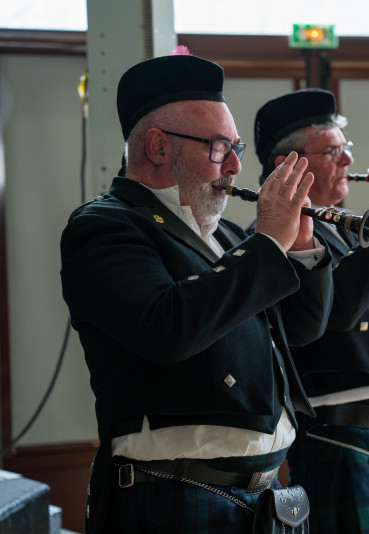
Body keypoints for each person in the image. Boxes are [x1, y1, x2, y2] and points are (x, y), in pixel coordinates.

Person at [60, 52, 333, 533]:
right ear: (157, 147)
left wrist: (302, 250)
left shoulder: (225, 234)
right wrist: (268, 245)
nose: (235, 165)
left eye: (236, 147)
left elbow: (303, 329)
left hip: (267, 496)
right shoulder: (105, 226)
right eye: (218, 147)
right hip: (173, 492)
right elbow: (167, 328)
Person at [252, 88, 369, 533]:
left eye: (346, 148)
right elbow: (336, 312)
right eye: (332, 152)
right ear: (287, 164)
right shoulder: (277, 239)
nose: (348, 161)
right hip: (338, 436)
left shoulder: (347, 227)